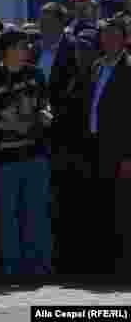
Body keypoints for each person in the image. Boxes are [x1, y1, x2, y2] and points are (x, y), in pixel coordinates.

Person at [0, 28, 52, 277]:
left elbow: (44, 104)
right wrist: (9, 125)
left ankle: (39, 268)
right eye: (21, 45)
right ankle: (12, 268)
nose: (26, 50)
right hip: (4, 158)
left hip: (36, 153)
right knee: (9, 216)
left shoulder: (36, 74)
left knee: (37, 213)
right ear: (8, 50)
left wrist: (45, 114)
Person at [88, 18, 131, 275]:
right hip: (98, 146)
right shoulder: (97, 65)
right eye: (105, 36)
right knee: (104, 208)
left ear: (125, 39)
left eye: (115, 36)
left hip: (122, 151)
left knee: (124, 211)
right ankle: (109, 266)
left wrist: (129, 155)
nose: (109, 41)